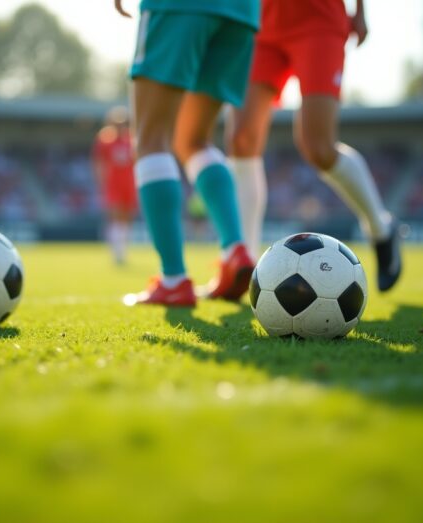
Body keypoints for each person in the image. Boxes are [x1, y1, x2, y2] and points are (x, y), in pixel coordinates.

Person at [226, 0, 402, 292]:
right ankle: (245, 263)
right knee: (241, 139)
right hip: (261, 21)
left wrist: (360, 10)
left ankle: (381, 228)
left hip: (318, 18)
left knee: (317, 147)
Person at [115, 0, 259, 307]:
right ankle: (235, 250)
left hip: (179, 6)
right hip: (241, 12)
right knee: (193, 141)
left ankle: (173, 279)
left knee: (150, 140)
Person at [92, 106, 137, 265]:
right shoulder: (105, 139)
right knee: (115, 216)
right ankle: (115, 252)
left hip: (129, 183)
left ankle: (123, 250)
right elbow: (99, 163)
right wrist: (102, 181)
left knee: (127, 217)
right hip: (113, 184)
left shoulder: (131, 140)